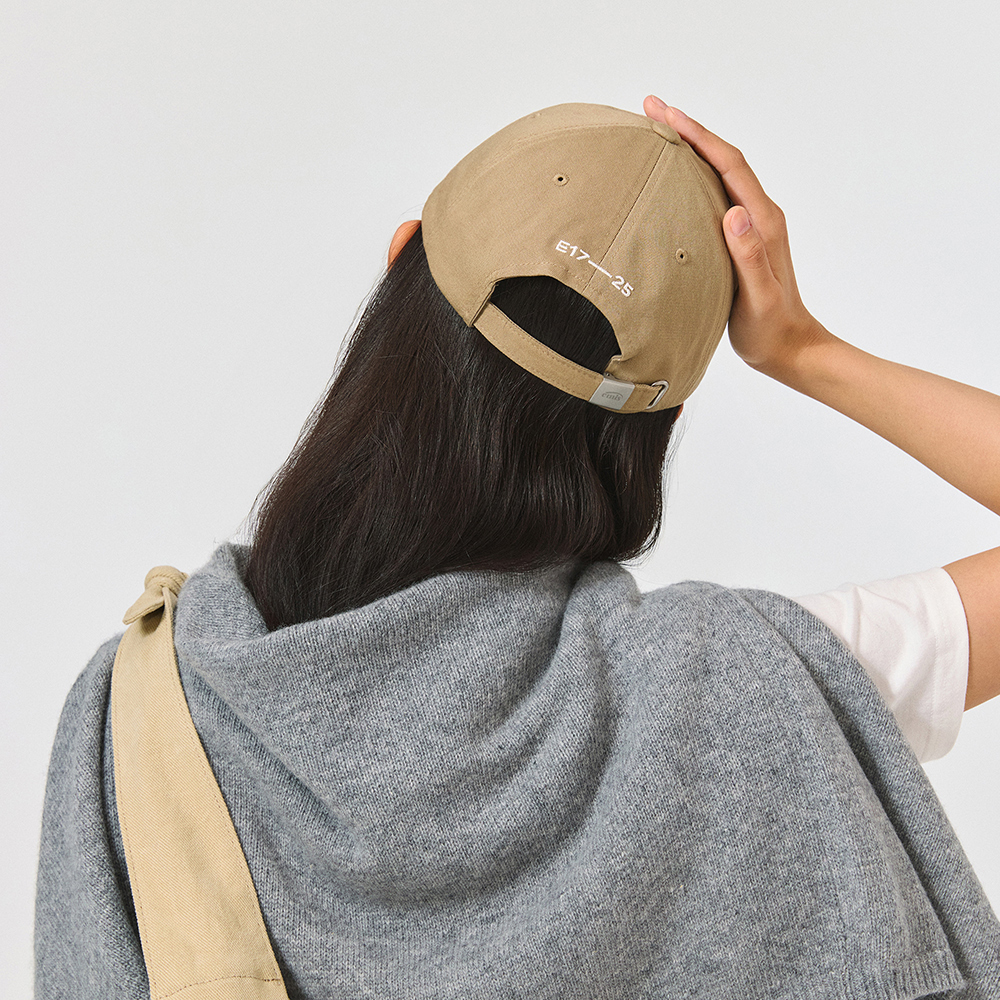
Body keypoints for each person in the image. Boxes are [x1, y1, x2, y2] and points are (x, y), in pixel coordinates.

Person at [34, 98, 1000, 999]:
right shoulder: (740, 687)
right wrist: (806, 350)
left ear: (401, 256)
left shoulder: (141, 713)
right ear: (657, 425)